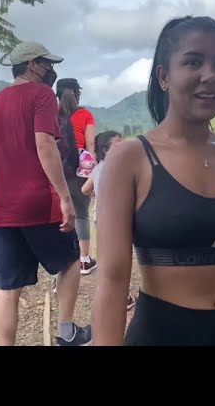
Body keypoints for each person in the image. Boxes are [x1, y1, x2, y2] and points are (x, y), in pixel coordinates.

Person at [92, 16, 215, 346]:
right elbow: (113, 280)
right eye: (193, 62)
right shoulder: (130, 158)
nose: (210, 75)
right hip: (162, 334)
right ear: (164, 76)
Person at [0, 40, 91, 346]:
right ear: (32, 64)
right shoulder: (40, 94)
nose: (52, 70)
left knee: (8, 288)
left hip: (1, 209)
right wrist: (65, 198)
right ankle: (68, 332)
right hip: (37, 202)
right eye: (48, 64)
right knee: (71, 261)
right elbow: (45, 144)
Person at [81, 131, 135, 309]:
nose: (122, 145)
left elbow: (84, 189)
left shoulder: (97, 168)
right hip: (118, 219)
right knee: (120, 259)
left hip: (100, 218)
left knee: (107, 258)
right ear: (106, 149)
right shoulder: (120, 166)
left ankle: (110, 295)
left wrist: (96, 192)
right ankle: (123, 298)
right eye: (117, 143)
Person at [56, 78, 97, 275]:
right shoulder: (85, 114)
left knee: (61, 214)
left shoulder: (49, 115)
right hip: (79, 170)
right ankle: (84, 261)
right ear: (77, 93)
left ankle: (62, 261)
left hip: (56, 170)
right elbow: (90, 144)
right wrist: (95, 172)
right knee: (81, 214)